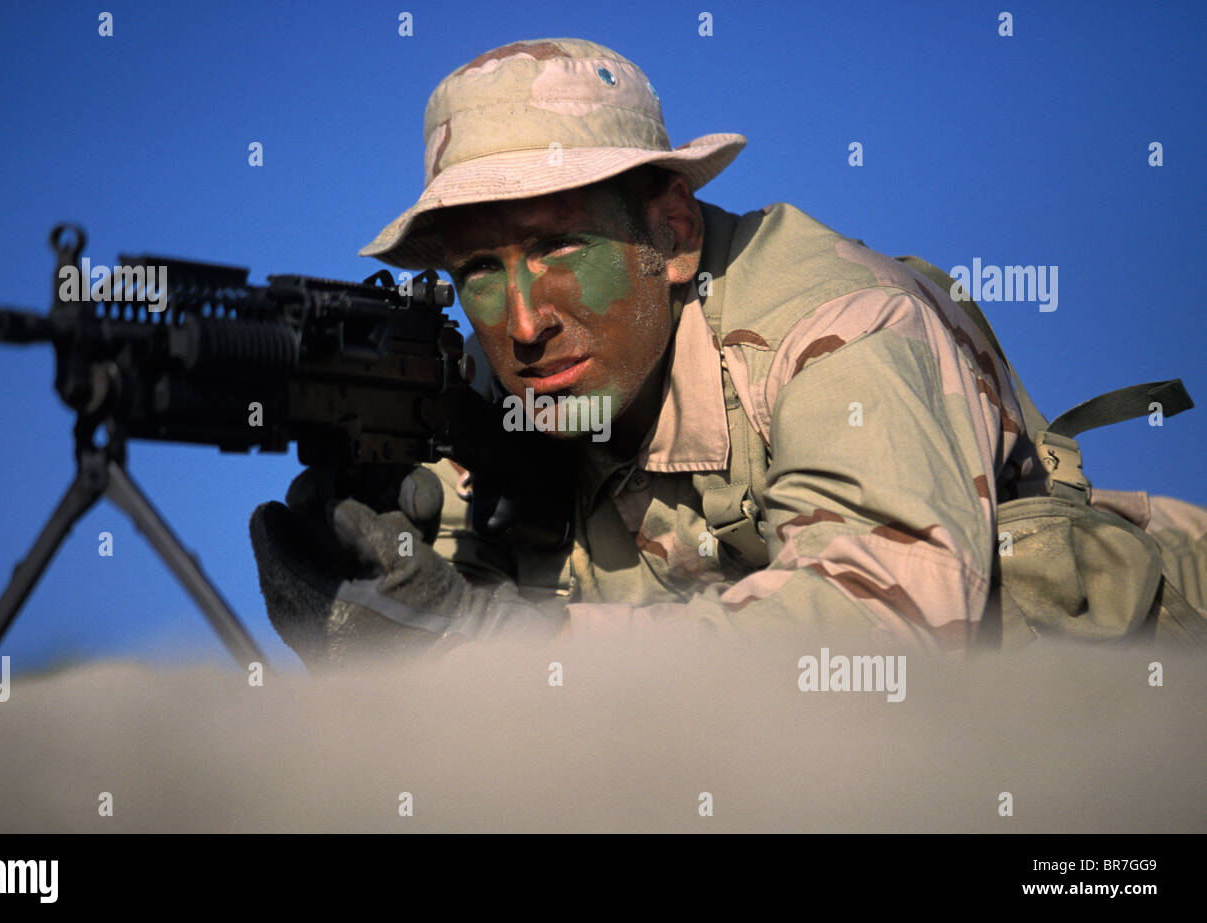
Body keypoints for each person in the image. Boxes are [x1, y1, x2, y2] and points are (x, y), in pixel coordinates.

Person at [249, 38, 1205, 669]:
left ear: (671, 235)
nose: (525, 321)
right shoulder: (493, 390)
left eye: (558, 247)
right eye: (480, 271)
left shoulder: (842, 333)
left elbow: (882, 651)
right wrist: (376, 610)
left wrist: (487, 644)